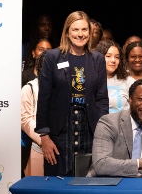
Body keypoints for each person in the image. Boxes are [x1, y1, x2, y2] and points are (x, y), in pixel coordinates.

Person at [36, 11, 109, 176]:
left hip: (89, 130)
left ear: (89, 33)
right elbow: (44, 98)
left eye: (84, 30)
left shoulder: (97, 59)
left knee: (87, 183)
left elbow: (102, 99)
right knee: (58, 183)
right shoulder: (52, 57)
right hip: (59, 132)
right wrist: (44, 136)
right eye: (75, 29)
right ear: (67, 32)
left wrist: (102, 132)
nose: (80, 34)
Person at [87, 79, 142, 178]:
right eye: (141, 99)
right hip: (108, 186)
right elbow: (101, 165)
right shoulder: (108, 123)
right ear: (130, 99)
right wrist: (141, 163)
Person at [21, 53, 46, 176]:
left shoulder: (64, 89)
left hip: (60, 148)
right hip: (37, 147)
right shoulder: (29, 88)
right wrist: (44, 140)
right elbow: (25, 120)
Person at [95, 40, 129, 113]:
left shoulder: (127, 80)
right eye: (108, 56)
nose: (113, 60)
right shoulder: (91, 80)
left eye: (117, 57)